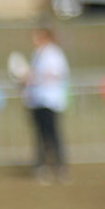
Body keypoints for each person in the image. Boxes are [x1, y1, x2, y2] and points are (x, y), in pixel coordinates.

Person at [25, 28, 70, 183]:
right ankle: (41, 166)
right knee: (40, 135)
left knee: (53, 134)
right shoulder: (37, 54)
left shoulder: (54, 54)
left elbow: (56, 74)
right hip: (36, 100)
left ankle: (59, 165)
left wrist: (34, 77)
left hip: (50, 101)